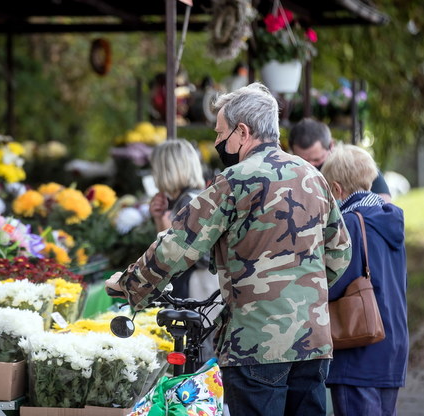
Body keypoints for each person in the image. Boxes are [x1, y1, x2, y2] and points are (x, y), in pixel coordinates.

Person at [106, 82, 352, 416]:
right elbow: (340, 252)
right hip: (313, 341)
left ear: (243, 131)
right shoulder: (312, 176)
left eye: (221, 133)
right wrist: (302, 290)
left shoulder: (235, 180)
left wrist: (131, 284)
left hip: (255, 344)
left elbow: (179, 243)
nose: (218, 141)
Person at [320, 143, 408, 416]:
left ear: (336, 189)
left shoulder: (349, 224)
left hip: (358, 345)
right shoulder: (389, 218)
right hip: (391, 341)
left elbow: (334, 285)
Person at [148, 138, 218, 300]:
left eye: (155, 168)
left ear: (167, 169)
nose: (153, 175)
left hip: (199, 286)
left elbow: (194, 257)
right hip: (199, 284)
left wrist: (166, 230)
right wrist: (160, 218)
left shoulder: (189, 202)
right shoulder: (191, 198)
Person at [289, 118, 392, 202]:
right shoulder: (288, 172)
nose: (310, 166)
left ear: (331, 146)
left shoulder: (351, 163)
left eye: (316, 160)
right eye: (303, 161)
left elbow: (384, 202)